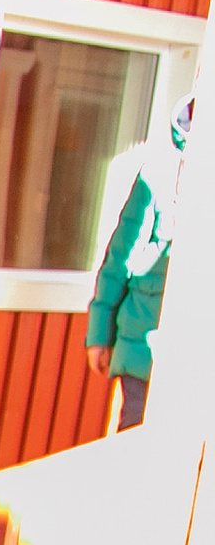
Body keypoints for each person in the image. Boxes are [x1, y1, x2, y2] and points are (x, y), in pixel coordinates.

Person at [88, 96, 192, 429]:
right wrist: (99, 334)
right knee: (132, 446)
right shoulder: (159, 175)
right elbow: (120, 258)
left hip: (193, 364)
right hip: (144, 347)